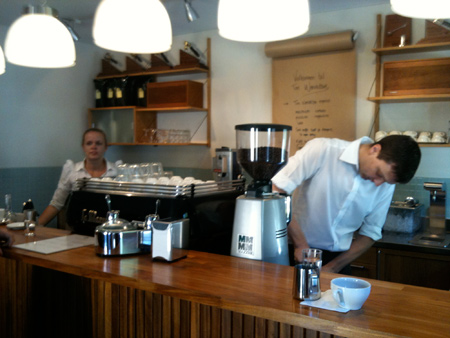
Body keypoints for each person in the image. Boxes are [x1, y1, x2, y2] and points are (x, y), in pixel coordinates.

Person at [272, 135, 421, 274]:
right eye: (379, 174)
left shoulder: (385, 185)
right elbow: (277, 191)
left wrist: (333, 267)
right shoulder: (323, 150)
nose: (378, 183)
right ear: (375, 149)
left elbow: (371, 231)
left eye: (385, 181)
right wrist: (300, 245)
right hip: (292, 250)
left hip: (337, 261)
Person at [38, 128, 122, 226]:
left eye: (98, 143)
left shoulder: (117, 171)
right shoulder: (72, 171)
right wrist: (36, 226)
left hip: (109, 228)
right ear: (83, 147)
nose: (94, 147)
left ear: (105, 147)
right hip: (77, 228)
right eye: (89, 143)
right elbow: (57, 203)